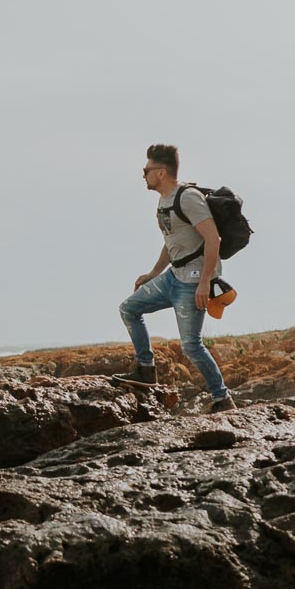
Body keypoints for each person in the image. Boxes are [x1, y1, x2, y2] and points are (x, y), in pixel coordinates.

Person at [118, 143, 232, 412]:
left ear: (161, 172)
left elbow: (213, 239)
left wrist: (205, 282)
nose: (143, 175)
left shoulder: (188, 197)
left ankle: (222, 399)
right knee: (129, 308)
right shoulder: (164, 200)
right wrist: (152, 274)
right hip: (172, 277)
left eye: (146, 170)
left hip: (192, 281)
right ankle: (146, 370)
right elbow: (172, 242)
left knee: (191, 346)